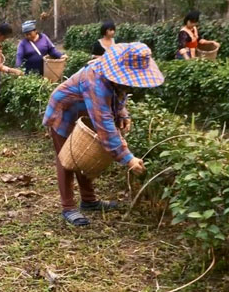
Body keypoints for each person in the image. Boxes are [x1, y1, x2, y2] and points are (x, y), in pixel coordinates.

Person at [42, 43, 164, 226]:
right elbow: (105, 126)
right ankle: (68, 207)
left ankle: (89, 200)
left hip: (85, 113)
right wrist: (128, 159)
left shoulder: (116, 80)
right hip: (64, 113)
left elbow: (119, 96)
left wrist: (123, 113)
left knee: (84, 155)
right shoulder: (95, 81)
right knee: (67, 159)